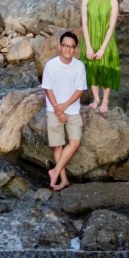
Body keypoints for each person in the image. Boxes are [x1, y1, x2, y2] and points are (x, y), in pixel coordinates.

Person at [40, 31, 88, 191]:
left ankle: (54, 171)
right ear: (59, 46)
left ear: (75, 49)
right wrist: (58, 111)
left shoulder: (79, 66)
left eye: (71, 47)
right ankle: (63, 179)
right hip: (53, 108)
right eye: (65, 46)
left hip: (72, 109)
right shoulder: (51, 65)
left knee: (75, 142)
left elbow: (80, 90)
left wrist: (64, 107)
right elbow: (48, 89)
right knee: (58, 145)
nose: (68, 49)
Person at [80, 0, 120, 113]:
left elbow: (111, 26)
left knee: (106, 68)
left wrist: (103, 48)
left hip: (106, 41)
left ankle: (105, 100)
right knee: (92, 68)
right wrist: (88, 46)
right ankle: (96, 98)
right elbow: (84, 23)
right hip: (90, 38)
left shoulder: (112, 2)